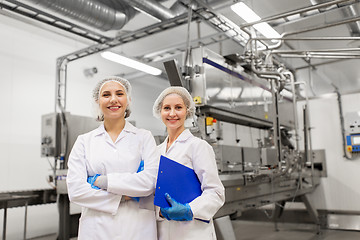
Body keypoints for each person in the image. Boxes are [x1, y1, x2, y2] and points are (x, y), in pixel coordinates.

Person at [66, 76, 159, 240]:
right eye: (106, 95)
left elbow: (150, 182)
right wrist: (127, 195)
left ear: (128, 100)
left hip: (137, 228)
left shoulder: (144, 137)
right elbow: (75, 190)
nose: (113, 100)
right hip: (96, 229)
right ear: (97, 101)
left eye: (119, 93)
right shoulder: (84, 141)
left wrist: (103, 182)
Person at [152, 86, 225, 240]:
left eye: (178, 107)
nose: (172, 113)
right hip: (163, 231)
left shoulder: (198, 146)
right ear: (160, 111)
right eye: (167, 108)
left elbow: (216, 192)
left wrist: (189, 209)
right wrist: (159, 211)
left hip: (193, 232)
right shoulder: (155, 152)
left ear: (187, 111)